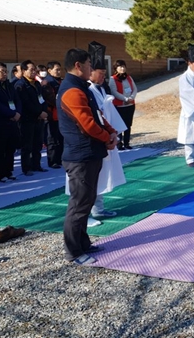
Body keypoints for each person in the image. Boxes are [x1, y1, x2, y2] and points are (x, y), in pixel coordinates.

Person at [58, 48, 117, 265]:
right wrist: (105, 137)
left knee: (88, 199)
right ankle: (73, 251)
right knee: (79, 203)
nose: (92, 68)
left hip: (90, 153)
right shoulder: (72, 91)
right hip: (80, 156)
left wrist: (111, 132)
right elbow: (88, 124)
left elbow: (98, 115)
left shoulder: (82, 88)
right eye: (89, 64)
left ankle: (83, 243)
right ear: (78, 66)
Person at [83, 42, 127, 227]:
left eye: (103, 74)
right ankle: (86, 214)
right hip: (93, 139)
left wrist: (113, 133)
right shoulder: (86, 89)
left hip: (105, 137)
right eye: (100, 74)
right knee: (89, 179)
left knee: (101, 175)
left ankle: (98, 208)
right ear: (90, 71)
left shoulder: (101, 89)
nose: (102, 77)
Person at [15, 60, 48, 175]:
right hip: (27, 119)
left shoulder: (37, 84)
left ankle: (36, 165)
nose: (34, 72)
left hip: (39, 119)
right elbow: (26, 103)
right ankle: (27, 167)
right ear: (24, 71)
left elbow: (42, 99)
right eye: (31, 70)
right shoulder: (21, 85)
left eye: (35, 69)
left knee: (37, 144)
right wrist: (39, 113)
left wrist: (44, 110)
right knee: (27, 145)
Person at [108, 59, 137, 150]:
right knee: (120, 124)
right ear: (116, 68)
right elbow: (114, 91)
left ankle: (127, 143)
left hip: (130, 105)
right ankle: (119, 144)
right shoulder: (113, 79)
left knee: (128, 124)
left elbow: (135, 89)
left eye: (124, 66)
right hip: (120, 106)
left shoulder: (129, 77)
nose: (122, 68)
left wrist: (131, 98)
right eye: (120, 66)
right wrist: (125, 99)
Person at [41, 61, 63, 168]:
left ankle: (60, 159)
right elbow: (49, 98)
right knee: (52, 138)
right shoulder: (47, 82)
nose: (59, 72)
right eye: (56, 69)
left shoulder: (61, 81)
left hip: (62, 113)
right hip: (52, 114)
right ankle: (53, 160)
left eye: (60, 69)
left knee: (61, 137)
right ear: (49, 71)